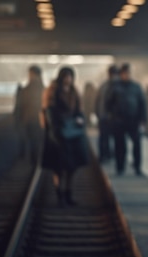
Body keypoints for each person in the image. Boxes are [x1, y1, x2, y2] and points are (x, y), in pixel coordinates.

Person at [41, 67, 89, 207]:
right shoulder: (53, 91)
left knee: (72, 167)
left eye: (70, 77)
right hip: (58, 133)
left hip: (72, 133)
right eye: (66, 77)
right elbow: (49, 111)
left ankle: (68, 194)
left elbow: (79, 111)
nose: (68, 79)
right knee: (59, 167)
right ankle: (59, 195)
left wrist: (80, 119)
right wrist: (55, 129)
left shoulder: (74, 91)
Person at [105, 63, 147, 176]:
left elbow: (142, 104)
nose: (127, 75)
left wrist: (143, 119)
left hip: (134, 120)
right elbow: (108, 103)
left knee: (137, 145)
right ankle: (120, 167)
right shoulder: (115, 87)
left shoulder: (136, 87)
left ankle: (137, 167)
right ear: (121, 74)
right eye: (125, 73)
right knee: (120, 146)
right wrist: (111, 116)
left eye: (129, 73)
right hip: (119, 121)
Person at [14, 66, 45, 167]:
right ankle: (37, 161)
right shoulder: (44, 89)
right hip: (39, 121)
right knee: (37, 141)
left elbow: (19, 107)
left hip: (30, 120)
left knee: (33, 141)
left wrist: (17, 121)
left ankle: (34, 161)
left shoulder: (25, 90)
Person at [95, 65, 120, 161]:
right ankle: (105, 155)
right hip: (106, 116)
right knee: (105, 138)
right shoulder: (106, 86)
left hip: (110, 117)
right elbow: (98, 101)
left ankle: (107, 155)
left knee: (109, 138)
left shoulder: (104, 86)